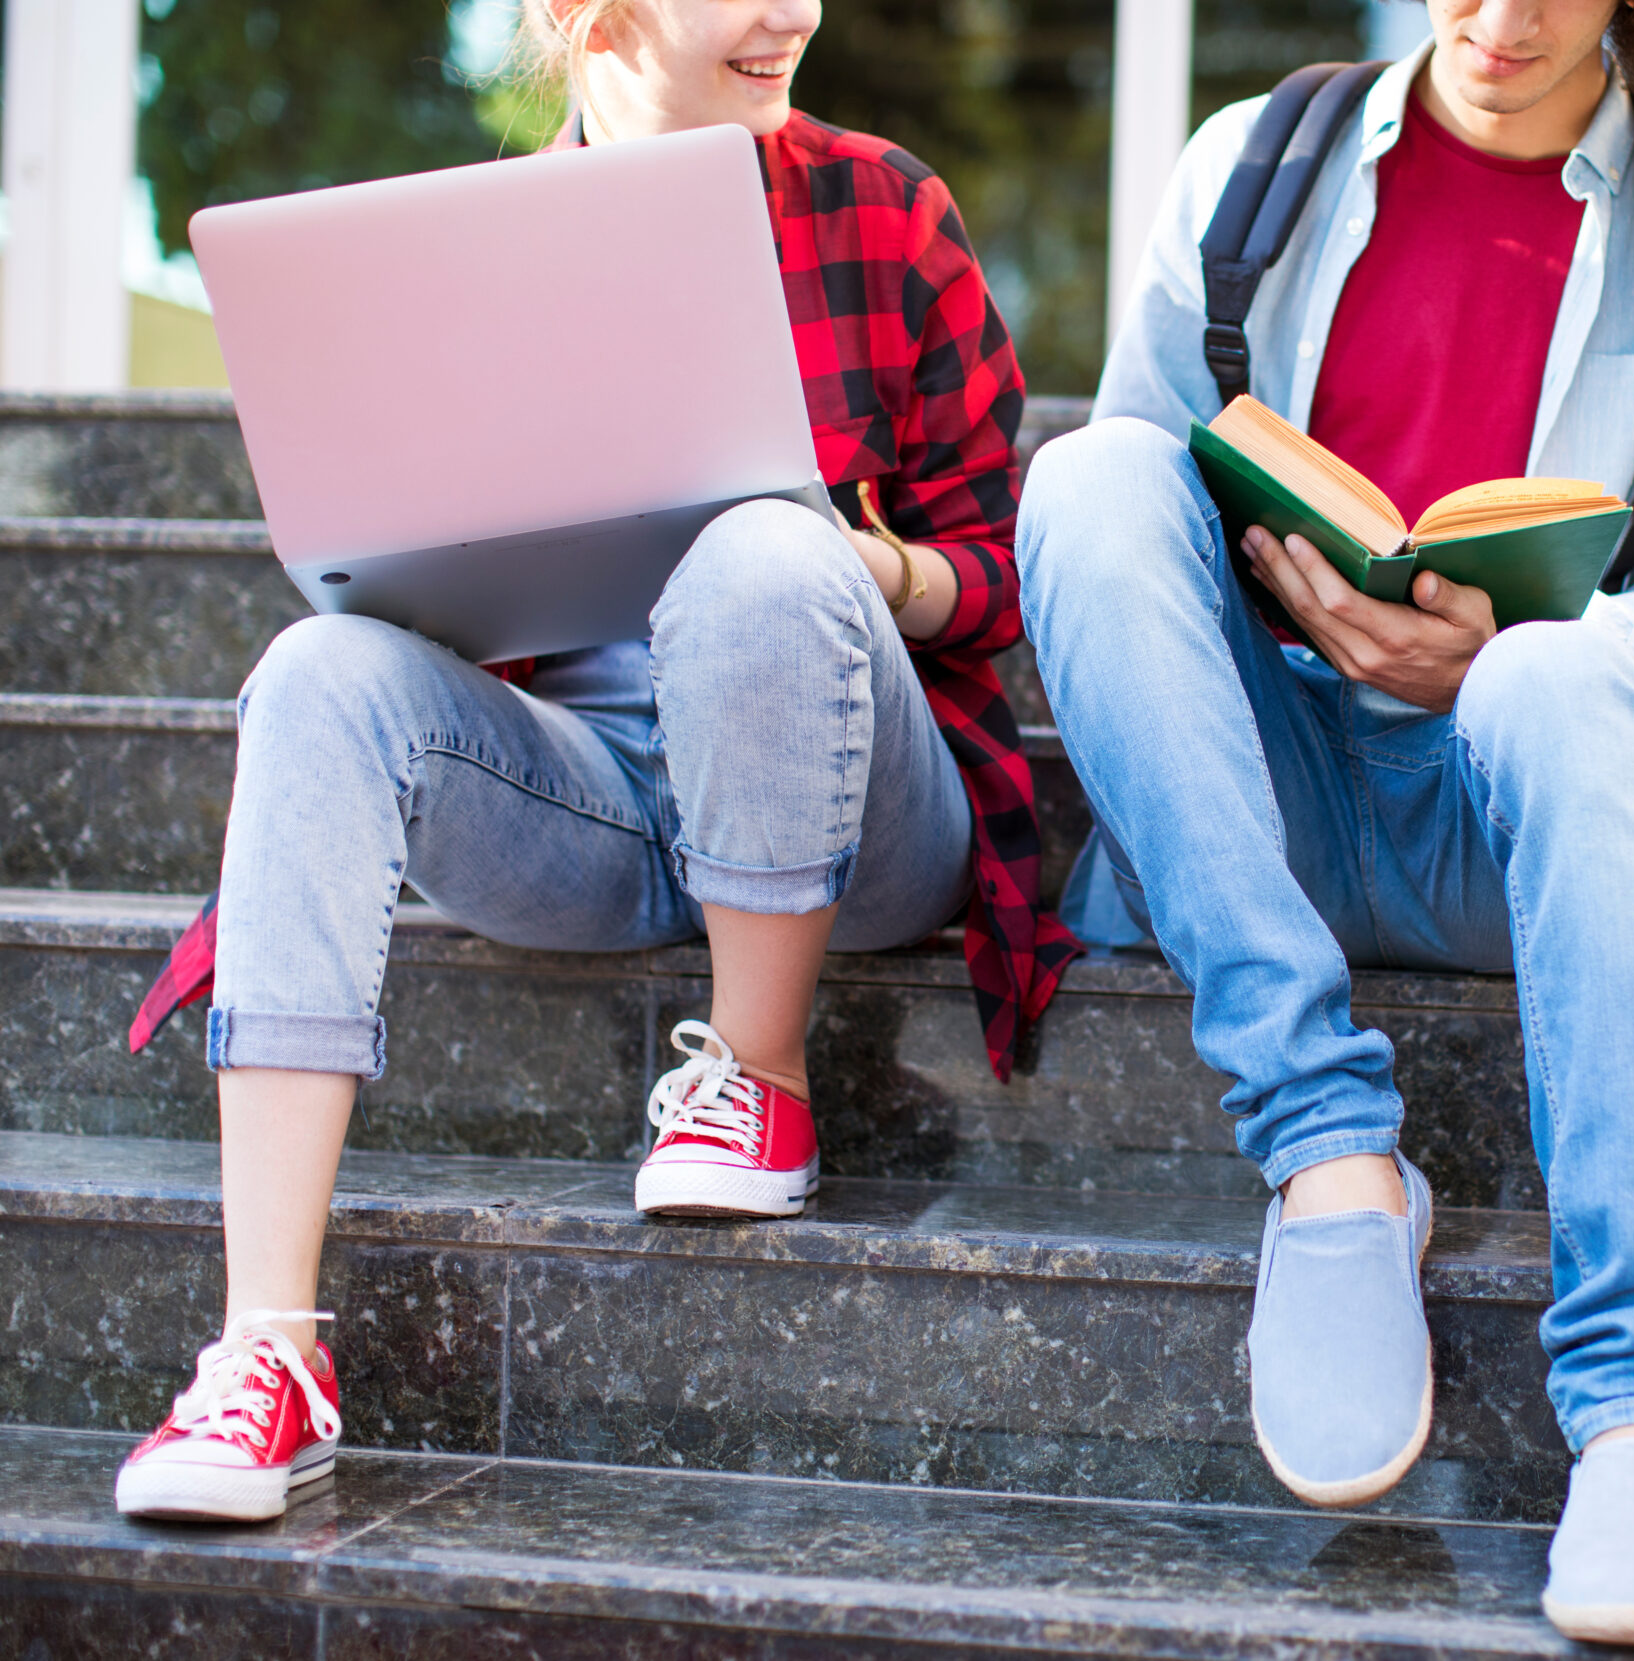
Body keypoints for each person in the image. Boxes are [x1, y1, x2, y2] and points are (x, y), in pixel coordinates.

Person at [113, 0, 1073, 1523]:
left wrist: (866, 572)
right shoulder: (463, 260)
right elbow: (391, 604)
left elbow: (1011, 571)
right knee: (315, 673)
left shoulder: (886, 209)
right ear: (587, 11)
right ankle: (266, 1351)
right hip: (594, 804)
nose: (794, 14)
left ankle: (755, 1078)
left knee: (759, 558)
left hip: (862, 808)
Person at [1016, 0, 1634, 1642]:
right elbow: (1140, 537)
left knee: (1564, 681)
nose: (1503, 19)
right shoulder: (1248, 168)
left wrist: (1505, 657)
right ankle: (1328, 1156)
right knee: (1088, 478)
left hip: (1515, 817)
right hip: (1270, 805)